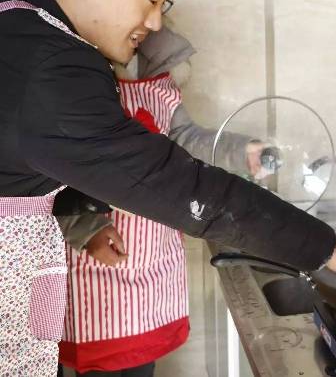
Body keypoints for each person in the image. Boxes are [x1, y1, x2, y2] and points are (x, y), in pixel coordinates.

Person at [0, 0, 336, 376]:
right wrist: (326, 248)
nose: (156, 23)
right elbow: (181, 187)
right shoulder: (52, 65)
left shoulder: (18, 27)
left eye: (163, 4)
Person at [57, 24, 261, 376]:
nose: (152, 20)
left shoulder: (159, 78)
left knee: (142, 363)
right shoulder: (69, 69)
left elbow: (185, 139)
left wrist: (240, 151)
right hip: (94, 267)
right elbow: (57, 158)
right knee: (101, 361)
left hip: (152, 260)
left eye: (162, 5)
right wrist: (85, 227)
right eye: (150, 1)